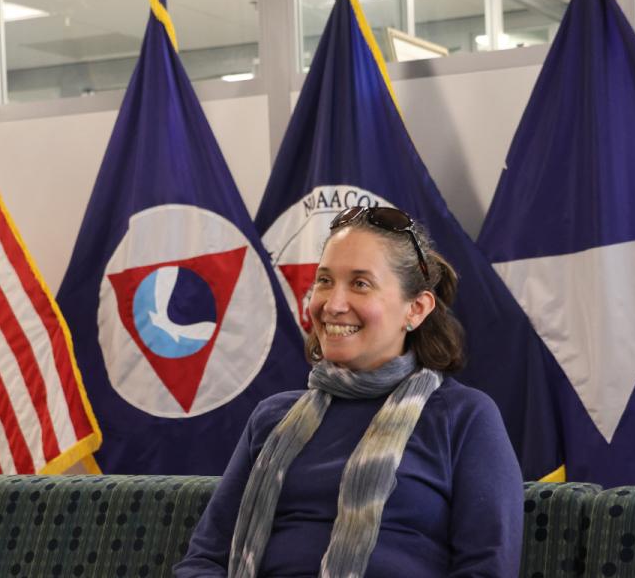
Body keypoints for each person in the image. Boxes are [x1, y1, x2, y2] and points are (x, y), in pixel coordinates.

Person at [174, 206, 523, 577]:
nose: (333, 305)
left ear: (416, 309)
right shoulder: (272, 417)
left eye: (360, 284)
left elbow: (487, 569)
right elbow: (205, 560)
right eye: (324, 281)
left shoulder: (464, 417)